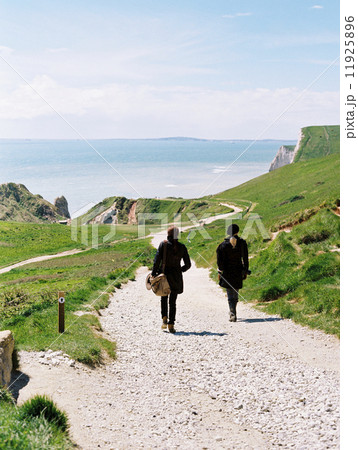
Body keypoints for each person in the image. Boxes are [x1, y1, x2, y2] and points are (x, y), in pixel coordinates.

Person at [152, 226, 191, 333]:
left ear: (168, 234)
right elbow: (188, 264)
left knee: (164, 298)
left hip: (164, 276)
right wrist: (180, 270)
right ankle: (171, 324)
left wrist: (153, 274)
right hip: (176, 277)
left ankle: (164, 319)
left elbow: (156, 261)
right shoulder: (182, 247)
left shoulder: (163, 245)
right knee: (173, 302)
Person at [216, 224, 249, 322]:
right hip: (238, 270)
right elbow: (245, 258)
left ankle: (232, 312)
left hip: (227, 272)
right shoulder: (242, 243)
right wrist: (245, 270)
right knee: (235, 291)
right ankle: (233, 310)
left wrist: (220, 271)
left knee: (229, 292)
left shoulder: (222, 245)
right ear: (237, 231)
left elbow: (219, 261)